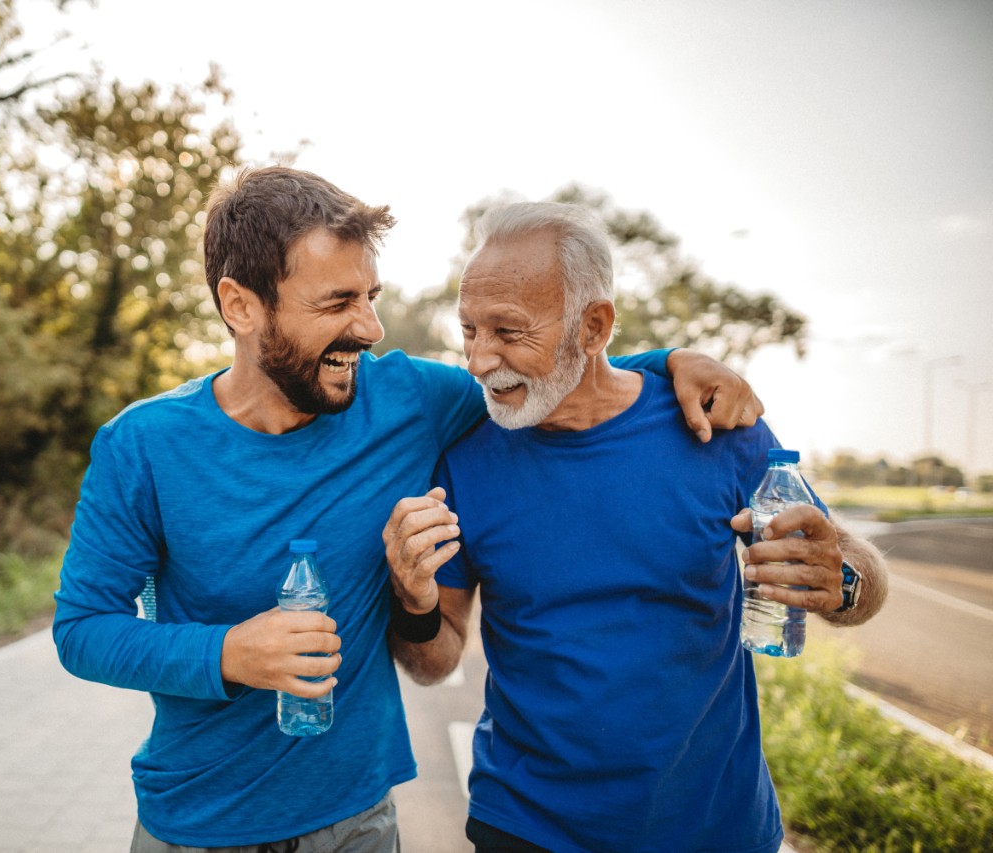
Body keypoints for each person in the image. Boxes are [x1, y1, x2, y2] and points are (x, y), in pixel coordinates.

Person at [52, 167, 766, 852]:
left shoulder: (410, 403)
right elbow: (82, 628)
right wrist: (227, 652)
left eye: (371, 295)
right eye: (336, 303)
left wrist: (672, 361)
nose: (370, 327)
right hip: (193, 820)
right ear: (241, 305)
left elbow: (555, 370)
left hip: (354, 821)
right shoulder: (141, 446)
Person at [382, 201, 888, 853]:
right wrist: (415, 603)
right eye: (469, 329)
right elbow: (435, 659)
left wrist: (841, 582)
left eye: (508, 331)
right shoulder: (466, 457)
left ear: (593, 327)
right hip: (527, 827)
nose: (480, 359)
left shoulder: (715, 428)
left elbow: (858, 580)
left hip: (717, 827)